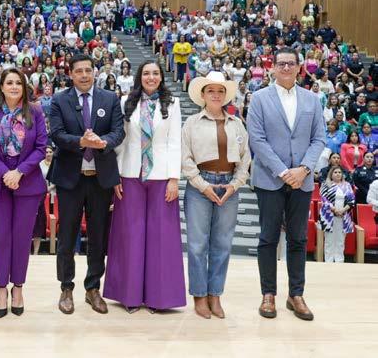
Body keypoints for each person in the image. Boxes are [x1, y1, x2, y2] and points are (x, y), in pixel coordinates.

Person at [247, 48, 326, 321]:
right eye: (281, 63)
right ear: (273, 67)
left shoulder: (312, 100)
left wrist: (303, 169)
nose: (285, 68)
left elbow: (319, 138)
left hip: (302, 180)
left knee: (298, 239)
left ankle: (296, 295)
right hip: (270, 179)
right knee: (268, 238)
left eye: (291, 63)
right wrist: (283, 172)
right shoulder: (259, 98)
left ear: (299, 68)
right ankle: (268, 294)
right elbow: (257, 140)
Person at [103, 60, 184, 313]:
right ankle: (129, 296)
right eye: (146, 73)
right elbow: (121, 141)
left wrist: (174, 178)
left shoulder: (173, 103)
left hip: (161, 176)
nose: (151, 77)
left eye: (155, 73)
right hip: (130, 173)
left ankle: (159, 298)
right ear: (140, 77)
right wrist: (116, 175)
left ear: (161, 77)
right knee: (131, 236)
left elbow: (174, 142)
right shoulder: (126, 101)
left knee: (161, 237)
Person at [49, 54, 125, 315]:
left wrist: (103, 143)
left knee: (98, 236)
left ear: (95, 72)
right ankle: (66, 288)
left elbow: (118, 132)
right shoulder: (59, 100)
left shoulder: (110, 99)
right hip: (70, 179)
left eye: (88, 70)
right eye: (79, 71)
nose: (84, 75)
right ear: (70, 74)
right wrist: (81, 142)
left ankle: (93, 288)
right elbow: (56, 134)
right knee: (67, 236)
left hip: (101, 179)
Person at [0, 67, 47, 317]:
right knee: (1, 238)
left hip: (27, 184)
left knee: (21, 238)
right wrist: (5, 173)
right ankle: (1, 289)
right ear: (1, 87)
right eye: (9, 82)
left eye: (18, 82)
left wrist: (19, 172)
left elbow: (41, 147)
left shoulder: (35, 111)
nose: (14, 87)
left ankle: (18, 287)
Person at [181, 72, 251, 319]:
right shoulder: (192, 123)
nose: (216, 94)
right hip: (201, 186)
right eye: (211, 90)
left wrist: (235, 185)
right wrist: (202, 185)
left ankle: (215, 294)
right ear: (203, 94)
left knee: (222, 244)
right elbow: (185, 158)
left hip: (229, 185)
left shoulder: (236, 123)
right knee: (198, 244)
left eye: (220, 91)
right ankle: (199, 295)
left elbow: (245, 158)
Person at [318, 166, 355, 263]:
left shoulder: (347, 185)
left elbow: (352, 200)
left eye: (339, 172)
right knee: (329, 241)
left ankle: (339, 261)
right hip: (329, 217)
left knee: (340, 241)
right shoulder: (326, 184)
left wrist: (342, 210)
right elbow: (324, 199)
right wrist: (334, 209)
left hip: (344, 216)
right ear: (331, 174)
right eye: (335, 172)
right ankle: (328, 261)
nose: (338, 174)